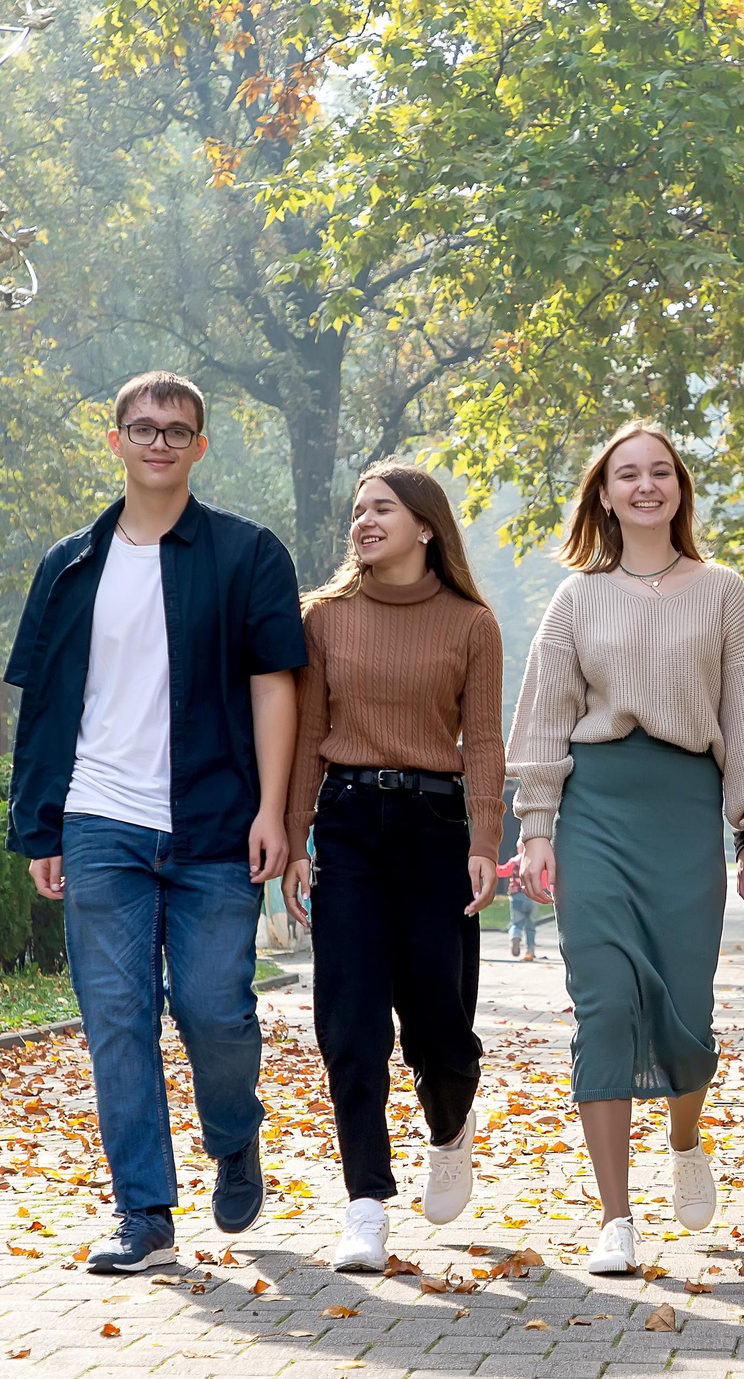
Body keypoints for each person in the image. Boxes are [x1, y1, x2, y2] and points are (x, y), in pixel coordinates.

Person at [6, 371, 304, 1274]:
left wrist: (275, 810)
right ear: (117, 440)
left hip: (215, 819)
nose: (160, 441)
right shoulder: (69, 566)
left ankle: (233, 1133)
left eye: (178, 429)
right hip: (101, 819)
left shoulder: (249, 555)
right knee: (117, 1018)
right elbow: (46, 704)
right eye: (143, 427)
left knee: (214, 1009)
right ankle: (143, 1212)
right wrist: (41, 826)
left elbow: (275, 684)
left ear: (200, 446)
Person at [509, 420, 744, 1277]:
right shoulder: (577, 597)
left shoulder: (724, 590)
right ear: (604, 493)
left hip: (683, 808)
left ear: (679, 489)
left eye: (660, 472)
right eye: (627, 474)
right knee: (604, 1000)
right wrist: (538, 826)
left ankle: (686, 1135)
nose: (644, 485)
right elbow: (546, 713)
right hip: (595, 804)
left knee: (686, 1004)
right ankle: (615, 1219)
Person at [281, 464, 505, 1272]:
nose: (363, 521)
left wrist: (486, 839)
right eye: (357, 510)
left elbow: (481, 740)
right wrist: (296, 835)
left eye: (382, 509)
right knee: (351, 1022)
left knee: (439, 1022)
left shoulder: (471, 623)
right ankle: (366, 1204)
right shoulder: (325, 619)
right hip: (347, 828)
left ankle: (449, 1123)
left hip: (437, 827)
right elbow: (308, 733)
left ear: (425, 527)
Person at [497, 780, 539, 959]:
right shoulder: (517, 799)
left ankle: (515, 937)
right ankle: (530, 949)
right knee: (530, 925)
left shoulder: (501, 799)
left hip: (515, 895)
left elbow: (502, 871)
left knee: (516, 922)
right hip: (531, 895)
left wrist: (494, 868)